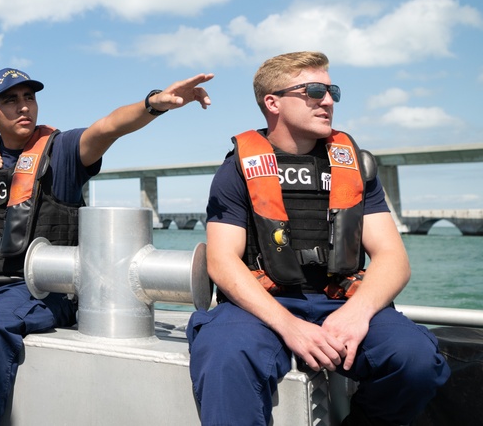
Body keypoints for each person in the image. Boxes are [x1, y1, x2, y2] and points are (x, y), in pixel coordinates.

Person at [0, 67, 214, 426]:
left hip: (43, 291)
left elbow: (108, 127)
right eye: (10, 100)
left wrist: (153, 104)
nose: (23, 107)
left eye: (29, 97)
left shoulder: (61, 153)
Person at [187, 52, 450, 426]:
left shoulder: (355, 166)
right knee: (224, 355)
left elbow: (393, 257)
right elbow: (223, 261)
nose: (327, 101)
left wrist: (356, 316)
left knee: (415, 358)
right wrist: (289, 325)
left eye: (331, 91)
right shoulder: (235, 171)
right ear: (273, 102)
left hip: (341, 301)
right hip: (262, 305)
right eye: (313, 90)